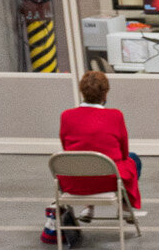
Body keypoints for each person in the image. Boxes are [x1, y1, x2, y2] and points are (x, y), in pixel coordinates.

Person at [58, 70, 143, 214]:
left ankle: (88, 207)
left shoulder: (66, 116)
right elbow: (123, 153)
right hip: (108, 180)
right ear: (105, 94)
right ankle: (124, 205)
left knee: (83, 161)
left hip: (74, 181)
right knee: (133, 159)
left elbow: (67, 148)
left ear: (82, 92)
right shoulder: (115, 116)